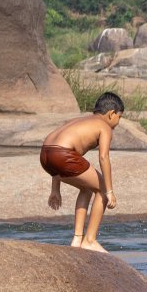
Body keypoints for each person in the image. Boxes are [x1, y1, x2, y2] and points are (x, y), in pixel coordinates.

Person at [41, 92, 123, 253]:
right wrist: (110, 190)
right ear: (111, 114)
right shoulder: (104, 127)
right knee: (101, 189)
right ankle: (90, 240)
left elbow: (57, 149)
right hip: (62, 154)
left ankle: (77, 239)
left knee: (86, 188)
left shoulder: (80, 121)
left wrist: (55, 189)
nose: (118, 122)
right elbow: (104, 157)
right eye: (119, 117)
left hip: (45, 154)